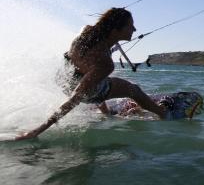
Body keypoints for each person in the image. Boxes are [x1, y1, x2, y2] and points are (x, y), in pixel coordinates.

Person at [16, 8, 168, 140]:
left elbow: (89, 66)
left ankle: (105, 112)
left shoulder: (85, 31)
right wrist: (37, 130)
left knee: (95, 78)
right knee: (133, 89)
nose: (134, 30)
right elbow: (76, 98)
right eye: (130, 26)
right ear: (116, 30)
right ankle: (163, 114)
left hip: (64, 79)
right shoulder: (105, 63)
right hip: (84, 90)